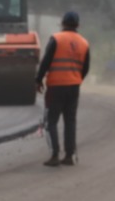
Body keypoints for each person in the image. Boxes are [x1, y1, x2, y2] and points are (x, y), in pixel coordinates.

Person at [35, 10, 90, 167]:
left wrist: (38, 80)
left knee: (51, 121)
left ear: (62, 23)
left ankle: (54, 155)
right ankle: (69, 156)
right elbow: (85, 68)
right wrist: (76, 79)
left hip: (56, 86)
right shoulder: (84, 43)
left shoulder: (56, 39)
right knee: (70, 121)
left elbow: (45, 62)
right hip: (73, 87)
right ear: (78, 25)